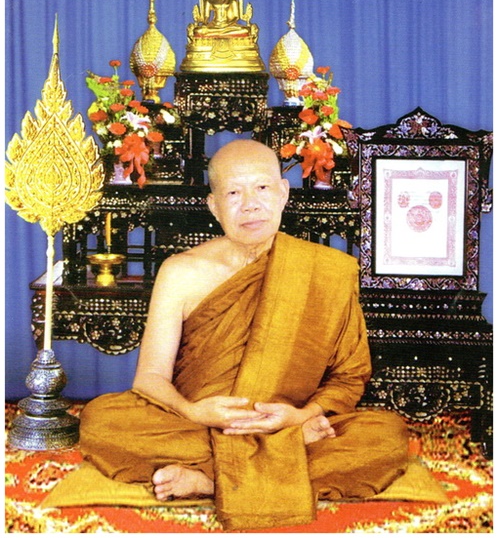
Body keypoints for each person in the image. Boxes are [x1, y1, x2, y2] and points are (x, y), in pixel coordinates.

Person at [79, 139, 409, 531]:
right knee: (101, 421)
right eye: (234, 193)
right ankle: (273, 462)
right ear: (214, 206)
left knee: (386, 435)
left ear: (283, 193)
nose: (250, 205)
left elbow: (349, 376)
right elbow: (150, 378)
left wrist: (300, 416)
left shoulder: (326, 270)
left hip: (286, 420)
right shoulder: (181, 271)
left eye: (262, 188)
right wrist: (194, 412)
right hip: (203, 423)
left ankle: (210, 480)